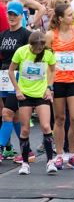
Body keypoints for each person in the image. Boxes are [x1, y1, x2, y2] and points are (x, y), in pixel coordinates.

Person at [46, 3, 74, 170]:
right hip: (57, 81)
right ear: (60, 18)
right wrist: (47, 86)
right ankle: (59, 155)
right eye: (70, 15)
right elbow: (45, 61)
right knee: (59, 119)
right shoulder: (50, 35)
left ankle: (72, 155)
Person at [8, 31, 57, 174]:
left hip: (41, 93)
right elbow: (11, 71)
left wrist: (50, 87)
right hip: (25, 94)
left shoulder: (48, 53)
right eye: (36, 49)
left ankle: (50, 161)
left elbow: (53, 70)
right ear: (30, 45)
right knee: (25, 129)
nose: (38, 52)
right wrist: (17, 89)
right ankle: (25, 163)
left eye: (40, 49)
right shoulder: (21, 52)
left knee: (46, 126)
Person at [0, 2, 31, 161]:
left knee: (6, 114)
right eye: (9, 14)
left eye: (15, 14)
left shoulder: (25, 35)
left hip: (18, 77)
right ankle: (27, 151)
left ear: (21, 16)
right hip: (3, 77)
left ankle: (0, 149)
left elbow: (31, 57)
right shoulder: (3, 35)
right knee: (16, 117)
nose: (12, 17)